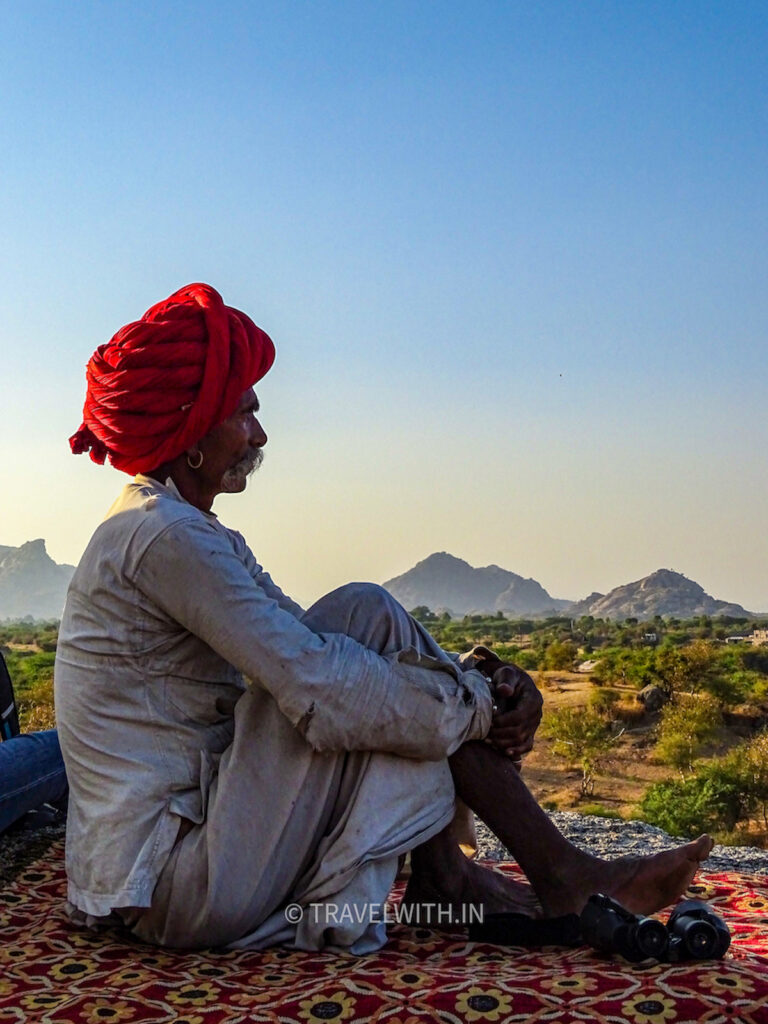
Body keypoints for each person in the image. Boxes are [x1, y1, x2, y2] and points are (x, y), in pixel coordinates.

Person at [55, 283, 712, 952]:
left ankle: (453, 877)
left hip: (193, 854)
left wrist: (470, 680)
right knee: (368, 640)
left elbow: (312, 649)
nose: (259, 433)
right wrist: (478, 704)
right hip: (171, 885)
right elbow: (319, 687)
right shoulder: (162, 536)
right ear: (192, 432)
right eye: (244, 412)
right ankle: (541, 873)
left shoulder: (181, 531)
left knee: (369, 628)